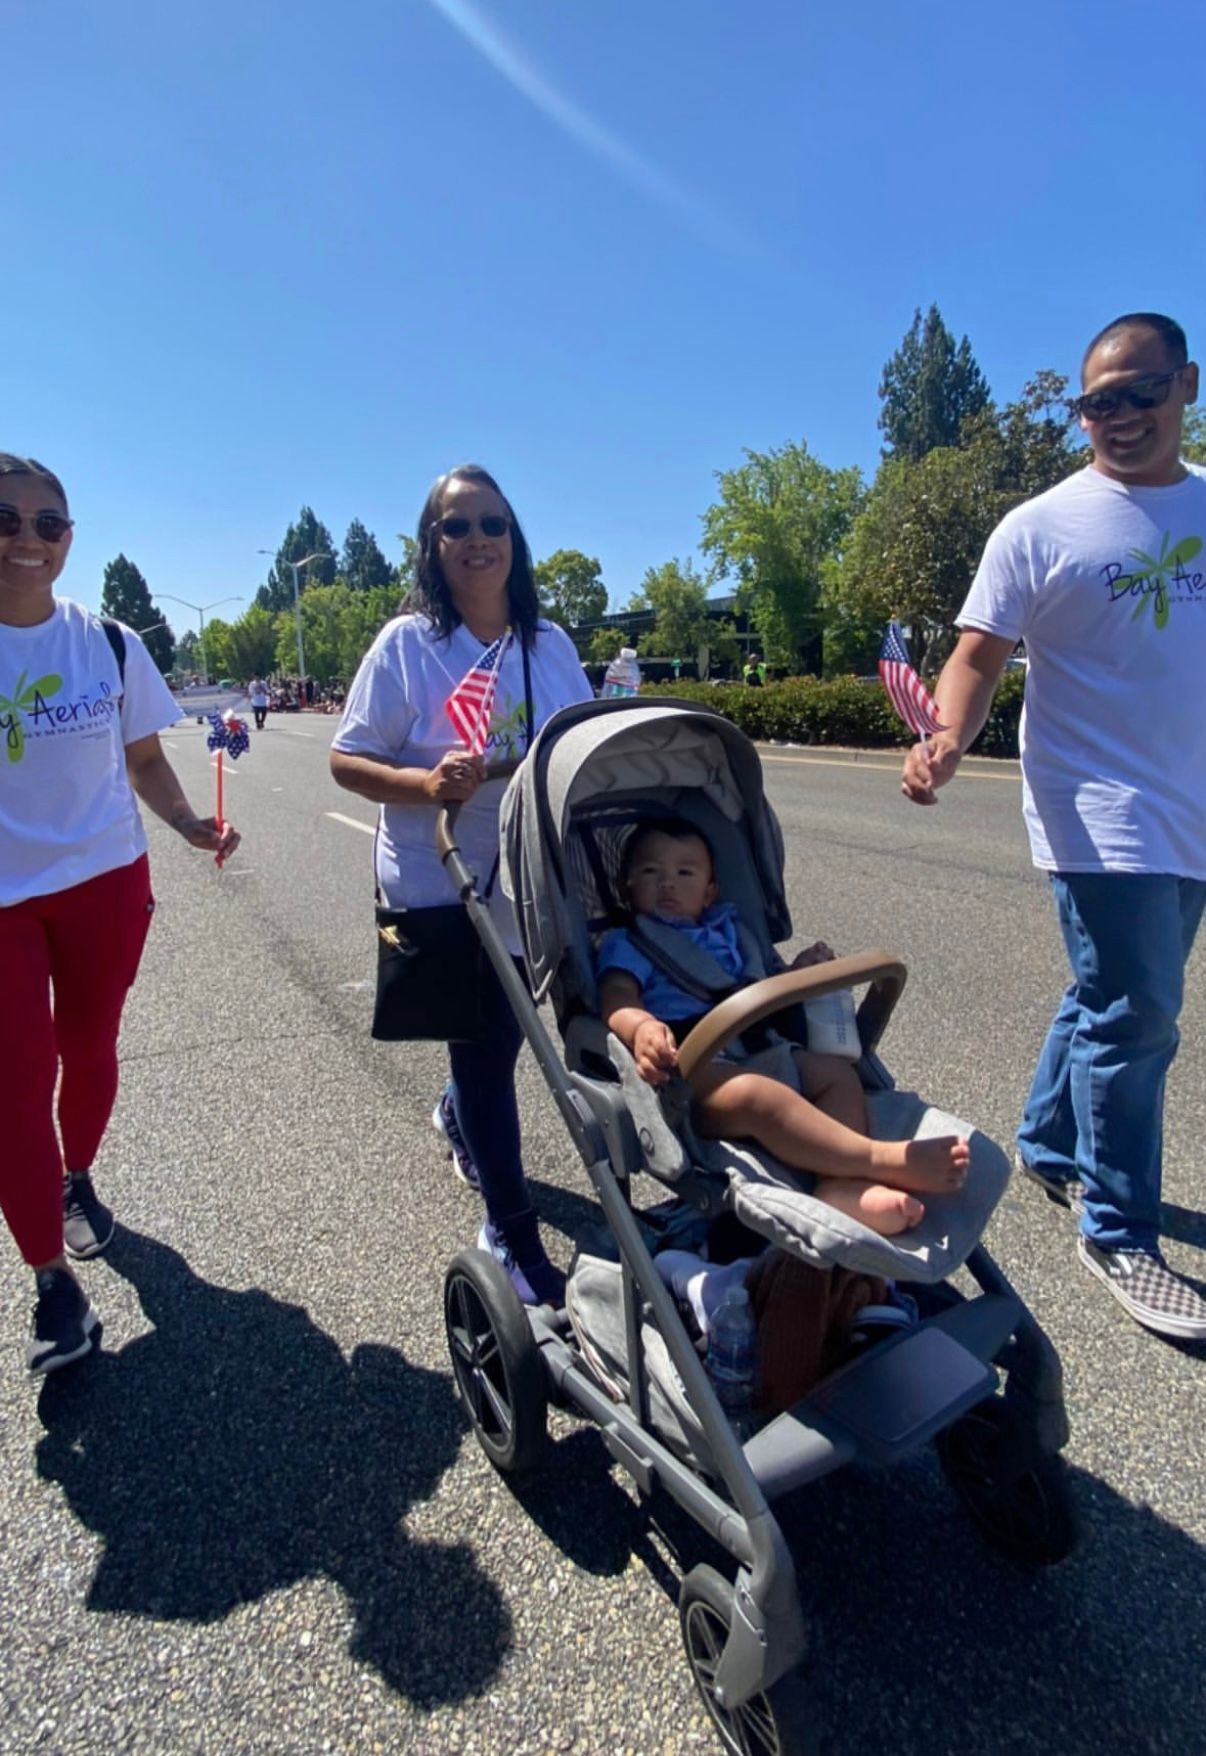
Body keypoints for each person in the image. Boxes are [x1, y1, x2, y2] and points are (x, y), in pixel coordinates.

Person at [901, 311, 1206, 1344]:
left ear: (1186, 386)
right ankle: (1118, 1229)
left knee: (1108, 995)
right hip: (1097, 809)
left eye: (1141, 392)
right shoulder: (1042, 524)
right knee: (1140, 1013)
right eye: (1097, 402)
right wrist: (944, 735)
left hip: (1193, 808)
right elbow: (979, 655)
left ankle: (1046, 1137)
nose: (1117, 416)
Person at [0, 454, 241, 1374]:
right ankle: (51, 1282)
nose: (28, 539)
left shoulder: (105, 640)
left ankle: (75, 1180)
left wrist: (186, 822)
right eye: (7, 519)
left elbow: (142, 758)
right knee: (13, 1090)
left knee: (87, 1050)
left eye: (48, 523)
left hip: (105, 880)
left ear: (69, 539)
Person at [330, 464, 592, 1304]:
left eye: (493, 524)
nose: (478, 541)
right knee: (483, 1050)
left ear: (515, 539)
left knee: (509, 1034)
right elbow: (347, 759)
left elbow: (580, 745)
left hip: (527, 868)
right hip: (437, 869)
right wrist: (425, 785)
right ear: (432, 546)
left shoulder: (549, 644)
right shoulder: (408, 646)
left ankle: (455, 1114)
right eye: (457, 527)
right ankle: (510, 1236)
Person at [597, 819, 969, 1235]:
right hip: (693, 1067)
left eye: (685, 873)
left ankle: (840, 1188)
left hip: (759, 1042)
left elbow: (761, 987)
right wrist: (641, 1026)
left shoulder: (733, 933)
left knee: (837, 1076)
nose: (667, 884)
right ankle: (879, 1159)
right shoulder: (629, 943)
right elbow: (616, 995)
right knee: (760, 1096)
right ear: (627, 886)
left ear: (710, 891)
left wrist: (797, 973)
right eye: (651, 872)